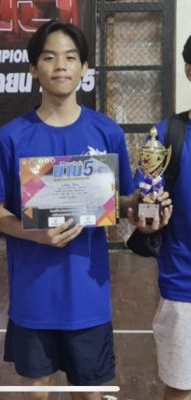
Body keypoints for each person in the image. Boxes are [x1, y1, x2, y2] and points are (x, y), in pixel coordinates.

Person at [0, 20, 170, 400]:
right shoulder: (11, 137)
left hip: (88, 297)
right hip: (34, 296)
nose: (60, 66)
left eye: (70, 57)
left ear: (84, 68)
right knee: (37, 393)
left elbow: (121, 202)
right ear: (34, 69)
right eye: (49, 57)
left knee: (89, 393)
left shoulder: (106, 132)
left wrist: (143, 206)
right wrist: (35, 233)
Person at [132, 34, 191, 400]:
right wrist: (148, 216)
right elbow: (143, 203)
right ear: (189, 71)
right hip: (184, 285)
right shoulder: (168, 135)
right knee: (182, 388)